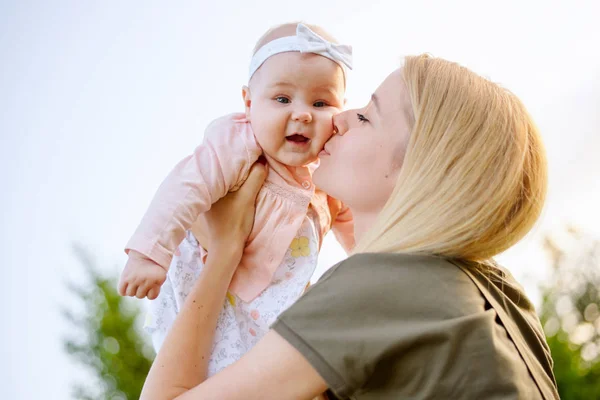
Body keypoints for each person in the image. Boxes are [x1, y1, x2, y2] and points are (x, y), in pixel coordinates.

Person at [140, 54, 560, 399]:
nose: (338, 119)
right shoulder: (503, 298)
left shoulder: (380, 287)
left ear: (419, 169)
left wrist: (225, 248)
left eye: (366, 117)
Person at [118, 23, 356, 375]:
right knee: (200, 375)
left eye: (321, 103)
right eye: (282, 99)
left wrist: (384, 263)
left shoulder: (330, 170)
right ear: (248, 102)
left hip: (273, 309)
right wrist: (150, 253)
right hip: (211, 295)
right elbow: (185, 189)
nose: (303, 113)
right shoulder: (237, 145)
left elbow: (359, 231)